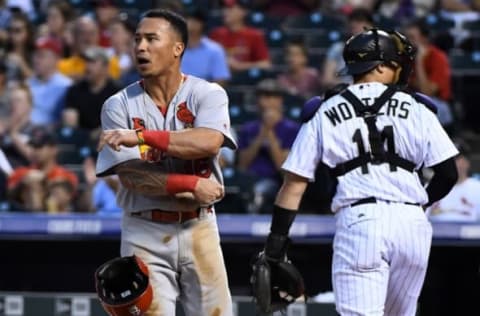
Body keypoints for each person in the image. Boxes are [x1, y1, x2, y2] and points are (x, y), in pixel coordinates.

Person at [255, 28, 459, 316]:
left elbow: (294, 185)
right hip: (412, 223)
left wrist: (275, 247)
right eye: (395, 63)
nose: (400, 68)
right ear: (379, 66)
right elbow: (448, 174)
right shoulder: (417, 107)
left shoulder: (324, 110)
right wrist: (418, 205)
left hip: (361, 221)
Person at [95, 9, 236, 316]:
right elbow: (132, 176)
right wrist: (189, 183)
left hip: (199, 225)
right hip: (143, 228)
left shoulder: (207, 93)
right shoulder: (117, 105)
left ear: (177, 48)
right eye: (137, 40)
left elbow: (209, 141)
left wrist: (142, 137)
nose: (140, 47)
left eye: (151, 39)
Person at [237, 79, 300, 213]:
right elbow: (242, 165)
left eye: (271, 96)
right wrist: (263, 132)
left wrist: (270, 132)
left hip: (277, 181)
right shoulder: (248, 129)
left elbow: (282, 166)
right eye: (262, 96)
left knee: (262, 189)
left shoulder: (291, 129)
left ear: (280, 100)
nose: (266, 101)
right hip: (250, 179)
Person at [209, 0, 271, 72]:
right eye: (224, 8)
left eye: (230, 8)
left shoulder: (254, 35)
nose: (225, 12)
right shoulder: (216, 34)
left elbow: (265, 64)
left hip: (245, 79)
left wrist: (240, 66)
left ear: (243, 12)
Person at [428, 139, 480, 222]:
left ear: (467, 162)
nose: (452, 163)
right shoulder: (430, 187)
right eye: (449, 158)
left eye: (457, 158)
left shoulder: (477, 188)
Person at [181, 7, 231, 85]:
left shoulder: (215, 50)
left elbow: (221, 79)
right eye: (187, 20)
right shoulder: (173, 48)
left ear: (202, 24)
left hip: (204, 94)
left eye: (194, 21)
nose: (190, 24)